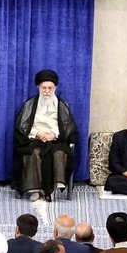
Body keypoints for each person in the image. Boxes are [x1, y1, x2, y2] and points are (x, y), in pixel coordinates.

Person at [12, 69, 78, 201]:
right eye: (44, 88)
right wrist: (37, 133)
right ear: (38, 87)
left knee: (58, 152)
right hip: (34, 138)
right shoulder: (29, 105)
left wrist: (53, 134)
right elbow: (22, 125)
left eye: (50, 88)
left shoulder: (62, 105)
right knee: (33, 153)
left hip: (55, 139)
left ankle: (52, 187)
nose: (47, 91)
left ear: (55, 88)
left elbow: (67, 125)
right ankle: (35, 189)